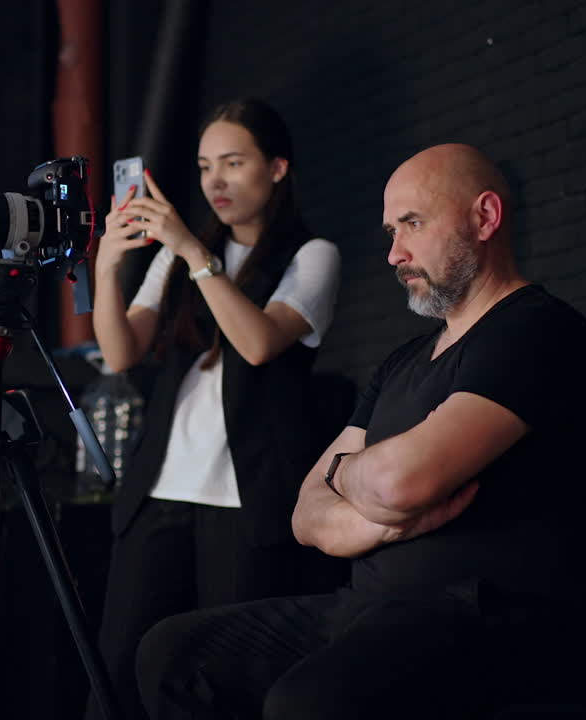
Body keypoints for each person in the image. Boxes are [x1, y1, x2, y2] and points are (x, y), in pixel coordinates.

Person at [134, 143, 586, 719]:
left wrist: (351, 478)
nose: (394, 254)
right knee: (173, 653)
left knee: (307, 702)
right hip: (369, 608)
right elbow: (306, 516)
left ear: (484, 217)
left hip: (493, 616)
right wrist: (381, 522)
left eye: (411, 224)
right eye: (390, 231)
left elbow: (399, 485)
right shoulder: (405, 361)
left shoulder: (537, 331)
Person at [85, 99, 341, 720]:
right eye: (204, 167)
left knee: (221, 679)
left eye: (233, 162)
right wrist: (108, 265)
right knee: (116, 673)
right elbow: (121, 353)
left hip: (247, 495)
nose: (215, 182)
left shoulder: (313, 255)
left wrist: (192, 252)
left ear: (277, 168)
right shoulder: (180, 255)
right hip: (159, 490)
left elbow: (256, 343)